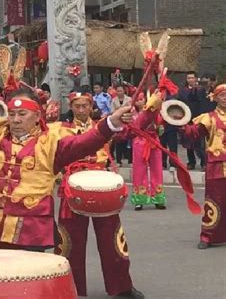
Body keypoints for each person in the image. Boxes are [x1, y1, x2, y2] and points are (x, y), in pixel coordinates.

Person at [0, 57, 136, 274]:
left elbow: (85, 142)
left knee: (17, 284)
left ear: (37, 116)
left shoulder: (51, 145)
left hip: (28, 234)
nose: (16, 119)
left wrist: (112, 123)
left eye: (22, 114)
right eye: (12, 114)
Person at [55, 91, 158, 298]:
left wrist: (151, 108)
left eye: (85, 106)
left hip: (103, 188)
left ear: (91, 106)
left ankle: (121, 287)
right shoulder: (59, 130)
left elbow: (132, 130)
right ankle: (69, 289)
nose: (82, 110)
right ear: (71, 107)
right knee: (69, 242)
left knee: (112, 238)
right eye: (77, 106)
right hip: (72, 188)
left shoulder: (104, 125)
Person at [183, 83, 226, 249]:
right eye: (222, 95)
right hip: (216, 165)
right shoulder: (209, 117)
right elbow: (193, 133)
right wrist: (181, 124)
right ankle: (207, 236)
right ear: (215, 98)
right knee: (214, 201)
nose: (225, 98)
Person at [130, 93, 166, 210]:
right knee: (139, 170)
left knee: (157, 169)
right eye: (137, 100)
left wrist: (160, 128)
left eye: (142, 99)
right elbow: (135, 127)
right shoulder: (132, 115)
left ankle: (158, 198)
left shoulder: (156, 113)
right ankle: (140, 199)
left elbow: (160, 127)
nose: (139, 102)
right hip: (140, 141)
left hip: (154, 141)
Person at [178, 72, 206, 170]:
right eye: (188, 78)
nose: (190, 80)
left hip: (198, 119)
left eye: (192, 78)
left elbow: (203, 102)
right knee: (188, 143)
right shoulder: (182, 91)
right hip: (187, 119)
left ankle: (204, 162)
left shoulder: (201, 90)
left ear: (196, 79)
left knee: (200, 143)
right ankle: (191, 162)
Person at [111, 85, 132, 166]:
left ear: (124, 91)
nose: (119, 92)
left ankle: (130, 160)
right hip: (117, 122)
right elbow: (112, 111)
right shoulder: (113, 100)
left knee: (129, 142)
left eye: (121, 91)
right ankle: (119, 160)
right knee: (118, 141)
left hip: (127, 121)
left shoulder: (129, 99)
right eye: (118, 91)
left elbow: (131, 109)